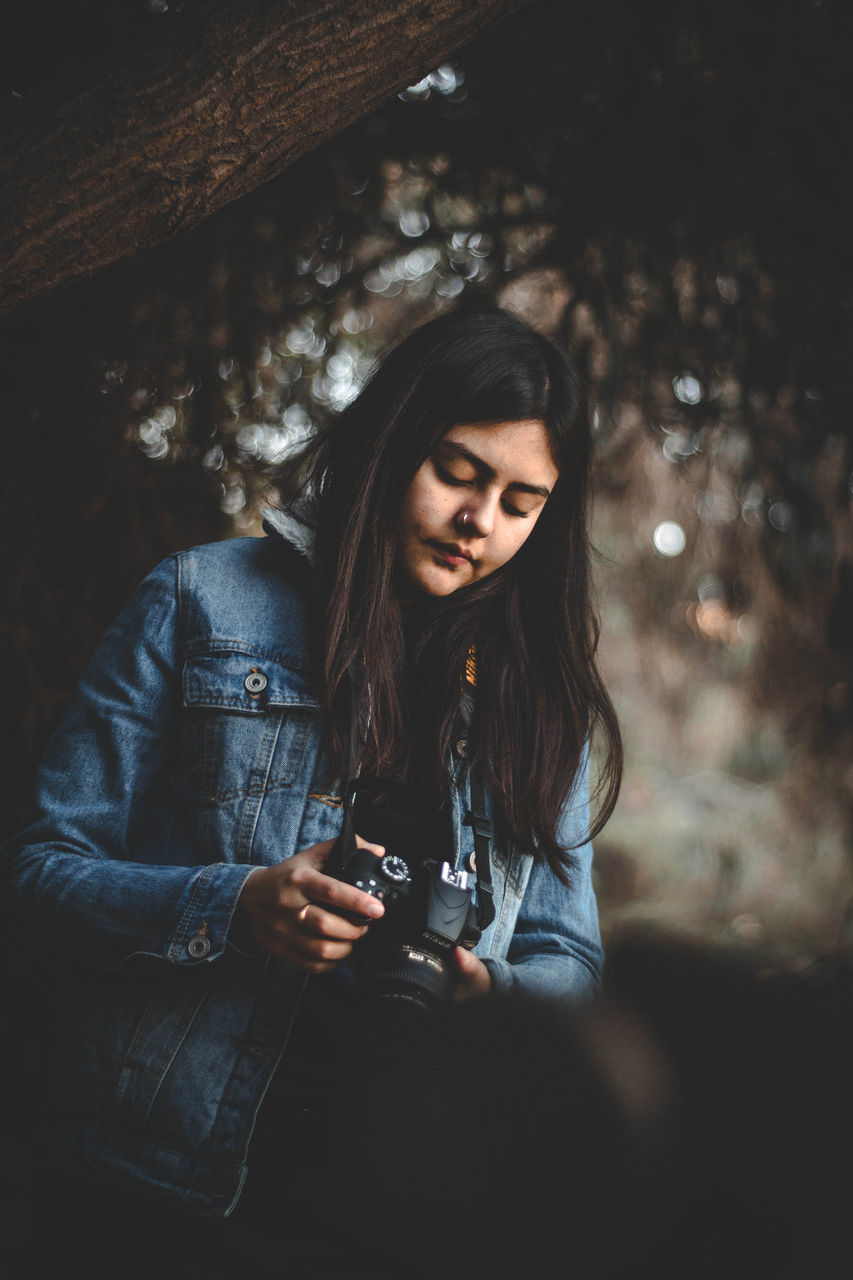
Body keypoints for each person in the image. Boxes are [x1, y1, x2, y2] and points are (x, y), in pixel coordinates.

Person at [1, 306, 621, 1278]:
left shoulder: (539, 707)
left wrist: (484, 991)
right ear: (391, 440)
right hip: (146, 1187)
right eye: (457, 471)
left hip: (400, 1211)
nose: (479, 520)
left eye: (520, 500)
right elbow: (39, 877)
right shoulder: (200, 599)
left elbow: (569, 959)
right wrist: (235, 904)